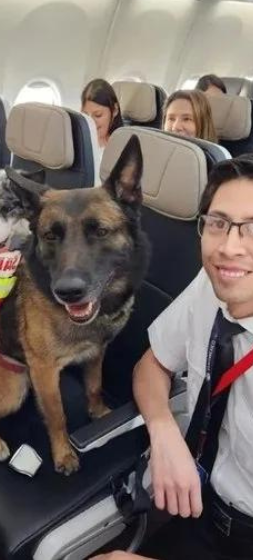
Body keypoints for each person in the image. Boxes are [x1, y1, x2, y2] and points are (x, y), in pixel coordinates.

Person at [93, 155, 253, 559]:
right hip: (200, 505)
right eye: (218, 223)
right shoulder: (213, 283)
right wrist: (163, 431)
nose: (229, 247)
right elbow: (152, 364)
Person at [81, 78, 124, 149]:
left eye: (98, 115)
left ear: (115, 110)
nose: (90, 122)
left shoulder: (122, 145)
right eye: (86, 115)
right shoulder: (78, 142)